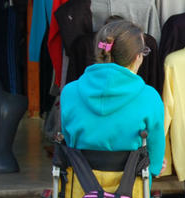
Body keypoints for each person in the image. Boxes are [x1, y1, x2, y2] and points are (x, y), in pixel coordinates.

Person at [60, 19, 165, 177]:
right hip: (131, 194)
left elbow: (68, 142)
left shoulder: (69, 92)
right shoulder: (150, 97)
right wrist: (155, 168)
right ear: (137, 57)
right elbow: (155, 160)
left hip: (80, 191)